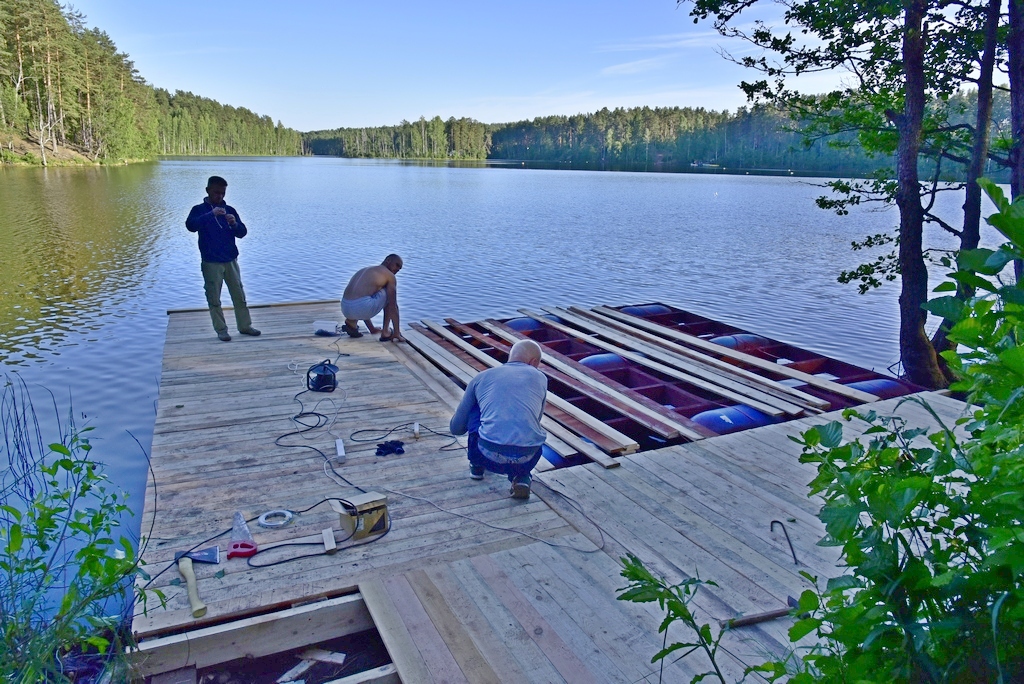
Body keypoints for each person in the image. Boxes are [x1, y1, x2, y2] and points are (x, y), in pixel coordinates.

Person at [449, 339, 548, 499]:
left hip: (486, 455)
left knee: (476, 406)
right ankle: (521, 477)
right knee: (528, 426)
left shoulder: (482, 378)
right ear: (534, 362)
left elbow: (456, 429)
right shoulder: (540, 378)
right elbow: (537, 419)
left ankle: (477, 467)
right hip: (528, 457)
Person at [185, 176, 260, 342]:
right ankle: (221, 330)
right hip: (211, 262)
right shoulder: (199, 210)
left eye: (223, 193)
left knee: (239, 295)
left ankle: (245, 326)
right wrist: (210, 214)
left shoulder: (230, 210)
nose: (220, 196)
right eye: (216, 192)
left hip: (231, 260)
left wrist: (234, 224)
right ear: (208, 190)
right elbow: (191, 226)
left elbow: (242, 232)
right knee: (214, 298)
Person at [341, 254, 404, 342]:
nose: (398, 269)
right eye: (397, 265)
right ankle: (386, 332)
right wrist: (397, 332)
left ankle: (352, 322)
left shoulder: (365, 270)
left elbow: (362, 299)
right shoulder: (389, 275)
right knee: (389, 293)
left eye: (400, 268)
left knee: (366, 297)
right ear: (388, 260)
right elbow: (393, 306)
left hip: (345, 308)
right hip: (361, 307)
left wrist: (372, 329)